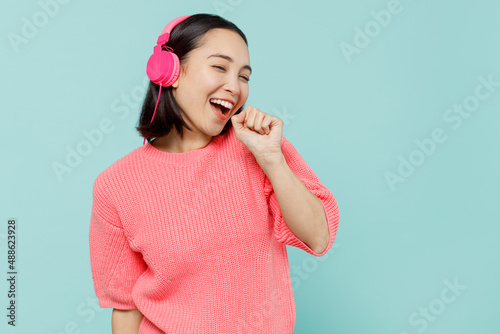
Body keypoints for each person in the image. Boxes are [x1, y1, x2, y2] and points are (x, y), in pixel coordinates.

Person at [89, 13, 340, 334]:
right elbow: (125, 308)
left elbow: (318, 238)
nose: (234, 87)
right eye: (220, 67)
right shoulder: (115, 185)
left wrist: (272, 159)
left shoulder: (259, 147)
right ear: (170, 72)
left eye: (244, 76)